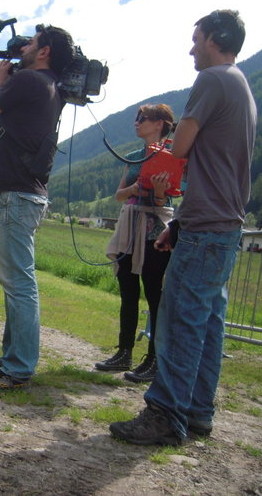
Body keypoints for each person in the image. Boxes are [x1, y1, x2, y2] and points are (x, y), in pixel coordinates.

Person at [110, 9, 256, 445]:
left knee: (178, 321)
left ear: (216, 38)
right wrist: (182, 221)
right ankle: (197, 413)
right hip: (220, 223)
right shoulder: (241, 85)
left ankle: (164, 414)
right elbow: (211, 161)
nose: (191, 48)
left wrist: (163, 155)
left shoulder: (213, 79)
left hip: (207, 225)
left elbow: (185, 145)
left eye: (197, 39)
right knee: (208, 323)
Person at [0, 24, 75, 390]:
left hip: (15, 193)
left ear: (44, 52)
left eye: (30, 43)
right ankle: (12, 360)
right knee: (16, 282)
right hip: (26, 194)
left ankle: (18, 368)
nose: (22, 47)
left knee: (19, 283)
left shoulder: (28, 82)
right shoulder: (51, 87)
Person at [97, 104, 176, 383]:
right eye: (136, 118)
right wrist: (133, 189)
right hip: (130, 228)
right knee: (128, 292)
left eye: (141, 119)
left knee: (155, 295)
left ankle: (154, 360)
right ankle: (124, 352)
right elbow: (119, 195)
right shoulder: (132, 157)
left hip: (155, 233)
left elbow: (163, 200)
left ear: (158, 124)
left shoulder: (173, 157)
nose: (136, 123)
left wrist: (155, 192)